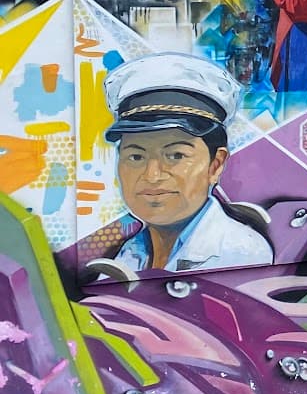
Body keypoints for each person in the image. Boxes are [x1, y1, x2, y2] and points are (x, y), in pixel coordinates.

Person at [82, 53, 273, 277]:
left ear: (215, 165)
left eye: (176, 155)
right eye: (136, 157)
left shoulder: (241, 254)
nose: (152, 175)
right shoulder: (130, 252)